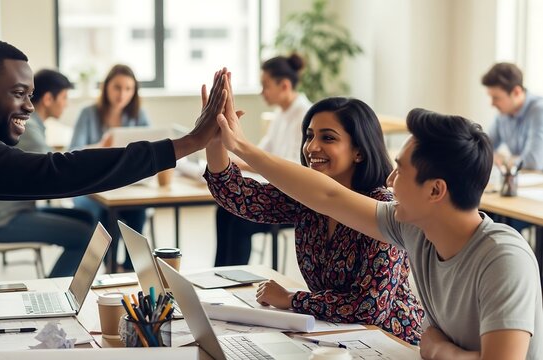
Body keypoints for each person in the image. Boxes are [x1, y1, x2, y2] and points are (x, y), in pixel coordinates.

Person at [0, 38, 227, 327]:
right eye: (18, 94)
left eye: (30, 95)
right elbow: (57, 171)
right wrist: (187, 143)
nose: (29, 106)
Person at [215, 74, 542, 359]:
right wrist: (233, 144)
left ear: (435, 190)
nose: (390, 179)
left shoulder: (502, 258)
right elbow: (327, 195)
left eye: (401, 170)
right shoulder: (414, 230)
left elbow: (444, 347)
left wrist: (440, 349)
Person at [205, 96, 423, 344]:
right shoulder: (307, 200)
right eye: (309, 136)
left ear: (359, 151)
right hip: (334, 333)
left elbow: (369, 307)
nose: (311, 147)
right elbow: (238, 196)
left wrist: (291, 299)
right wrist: (214, 140)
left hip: (390, 340)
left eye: (327, 138)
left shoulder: (380, 208)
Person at [0, 69, 95, 278]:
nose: (66, 104)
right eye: (65, 97)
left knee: (87, 217)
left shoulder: (30, 125)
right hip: (0, 223)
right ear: (49, 99)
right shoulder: (28, 128)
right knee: (85, 234)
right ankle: (55, 291)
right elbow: (54, 177)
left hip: (8, 213)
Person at [215, 54, 312, 266]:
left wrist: (241, 162)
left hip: (293, 199)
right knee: (225, 209)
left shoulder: (305, 115)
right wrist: (234, 158)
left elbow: (291, 166)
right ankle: (218, 276)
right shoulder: (281, 114)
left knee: (240, 219)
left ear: (284, 85)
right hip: (274, 190)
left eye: (265, 85)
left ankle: (233, 280)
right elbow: (262, 152)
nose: (261, 92)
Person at [69, 64, 150, 271]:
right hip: (91, 188)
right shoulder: (88, 113)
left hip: (126, 185)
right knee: (103, 214)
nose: (122, 94)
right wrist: (101, 146)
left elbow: (149, 147)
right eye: (117, 87)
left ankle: (132, 270)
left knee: (137, 211)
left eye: (128, 89)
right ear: (106, 88)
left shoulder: (138, 115)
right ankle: (110, 268)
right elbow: (72, 152)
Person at [482, 62, 543, 171]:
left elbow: (534, 162)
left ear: (516, 92)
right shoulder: (503, 114)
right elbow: (482, 150)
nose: (492, 104)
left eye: (496, 98)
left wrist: (503, 159)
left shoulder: (539, 110)